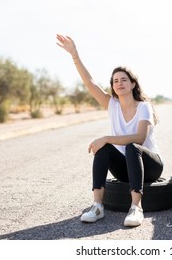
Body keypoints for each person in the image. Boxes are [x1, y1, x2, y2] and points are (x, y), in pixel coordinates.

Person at [56, 34, 164, 227]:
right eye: (115, 81)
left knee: (131, 146)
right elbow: (90, 83)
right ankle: (97, 206)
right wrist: (74, 55)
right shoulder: (112, 105)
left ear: (132, 84)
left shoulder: (143, 107)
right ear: (113, 87)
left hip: (150, 166)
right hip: (126, 170)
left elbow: (140, 138)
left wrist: (106, 137)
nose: (119, 83)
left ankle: (136, 208)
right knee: (103, 149)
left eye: (124, 79)